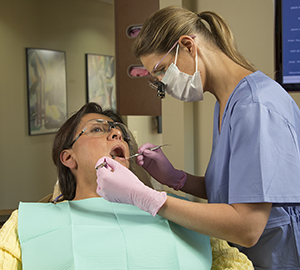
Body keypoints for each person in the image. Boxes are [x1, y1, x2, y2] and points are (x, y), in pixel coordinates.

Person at [95, 6, 300, 270]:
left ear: (188, 46)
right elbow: (239, 190)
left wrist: (147, 198)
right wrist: (177, 179)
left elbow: (247, 226)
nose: (162, 85)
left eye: (162, 70)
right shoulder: (226, 102)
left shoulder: (255, 106)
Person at [1, 102, 216, 269]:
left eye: (118, 130)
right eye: (96, 129)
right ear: (68, 158)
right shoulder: (26, 223)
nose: (118, 134)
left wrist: (174, 182)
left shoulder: (180, 211)